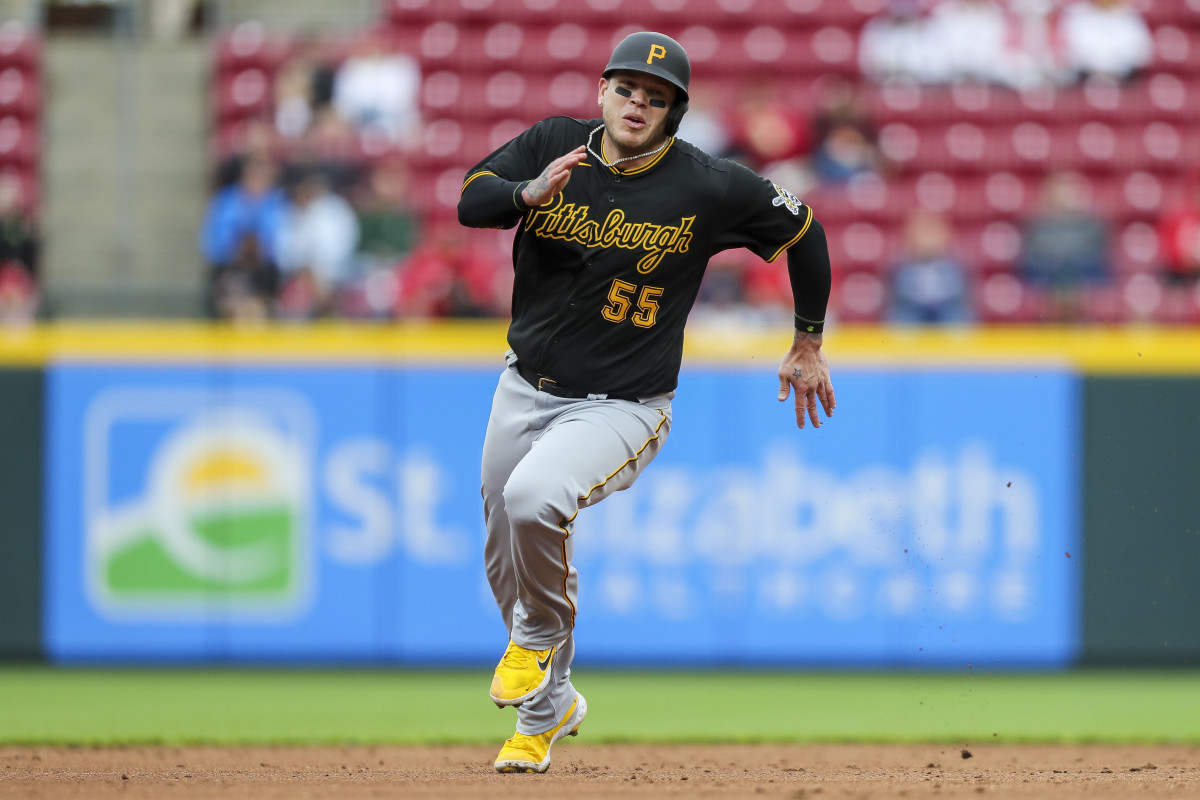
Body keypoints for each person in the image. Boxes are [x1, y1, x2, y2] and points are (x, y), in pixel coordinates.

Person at [457, 31, 835, 774]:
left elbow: (806, 230)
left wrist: (808, 341)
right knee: (504, 551)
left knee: (536, 499)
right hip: (522, 384)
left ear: (675, 114)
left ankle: (536, 642)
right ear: (602, 91)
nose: (639, 104)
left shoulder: (707, 184)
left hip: (623, 404)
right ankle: (550, 706)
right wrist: (524, 194)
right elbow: (472, 201)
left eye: (656, 98)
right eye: (628, 89)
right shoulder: (554, 144)